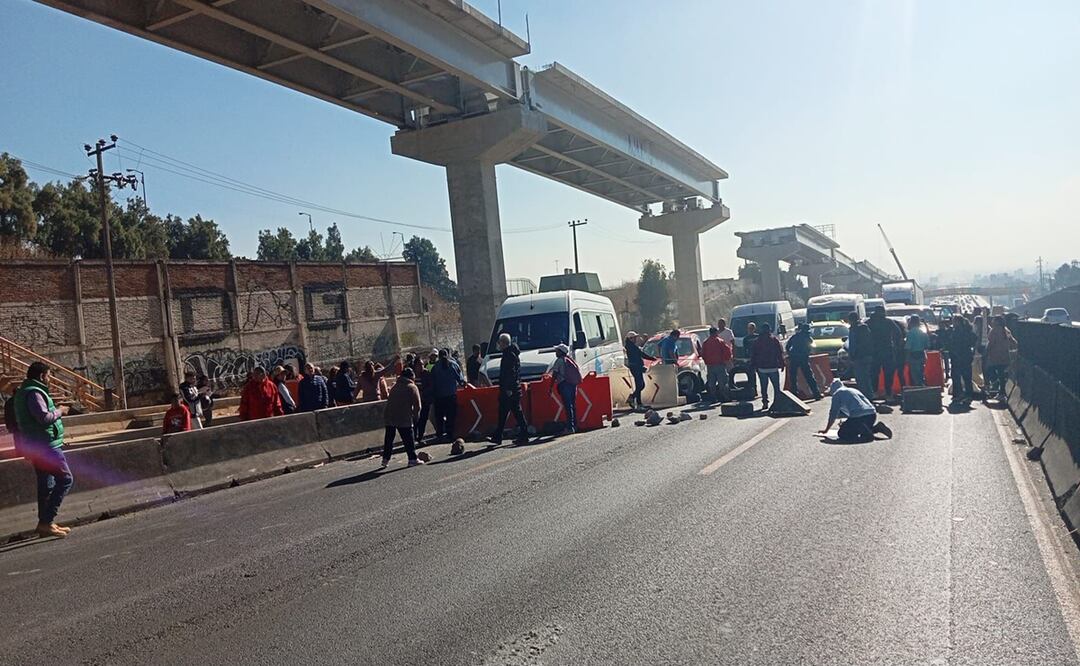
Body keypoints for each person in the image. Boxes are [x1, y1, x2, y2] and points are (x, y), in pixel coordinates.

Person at [12, 362, 73, 538]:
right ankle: (46, 521)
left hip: (36, 445)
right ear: (41, 376)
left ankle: (46, 524)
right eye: (48, 376)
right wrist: (60, 410)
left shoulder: (25, 391)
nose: (49, 379)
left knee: (46, 484)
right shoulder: (34, 392)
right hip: (46, 446)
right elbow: (44, 417)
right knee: (65, 479)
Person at [819, 378, 893, 443]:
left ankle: (867, 435)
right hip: (872, 414)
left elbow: (833, 414)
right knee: (858, 426)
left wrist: (826, 430)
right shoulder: (853, 390)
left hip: (859, 417)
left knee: (842, 433)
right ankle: (877, 428)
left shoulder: (837, 394)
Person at [490, 333, 530, 445]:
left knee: (516, 413)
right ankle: (498, 436)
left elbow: (510, 373)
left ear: (504, 343)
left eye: (499, 342)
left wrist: (508, 388)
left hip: (510, 390)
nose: (498, 344)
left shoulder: (509, 355)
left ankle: (524, 434)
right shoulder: (510, 354)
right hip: (512, 388)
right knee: (505, 413)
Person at [381, 367, 423, 468]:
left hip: (389, 415)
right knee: (408, 438)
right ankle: (412, 459)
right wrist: (416, 417)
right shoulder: (411, 387)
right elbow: (418, 405)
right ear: (411, 376)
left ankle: (385, 459)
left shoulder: (395, 386)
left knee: (389, 438)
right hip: (403, 416)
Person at [867, 307, 902, 400]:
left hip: (873, 351)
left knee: (874, 373)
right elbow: (898, 333)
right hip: (887, 350)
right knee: (888, 373)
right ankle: (888, 393)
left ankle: (874, 392)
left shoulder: (869, 323)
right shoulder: (888, 322)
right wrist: (897, 346)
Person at [431, 349, 465, 440]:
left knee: (439, 417)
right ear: (448, 355)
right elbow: (460, 379)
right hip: (451, 395)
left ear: (439, 356)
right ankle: (450, 434)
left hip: (439, 396)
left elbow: (432, 383)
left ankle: (440, 434)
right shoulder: (453, 365)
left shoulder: (435, 367)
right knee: (451, 416)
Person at [751, 323, 785, 410]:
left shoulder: (757, 341)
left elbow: (754, 355)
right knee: (776, 387)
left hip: (762, 368)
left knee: (764, 387)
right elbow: (779, 353)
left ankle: (765, 403)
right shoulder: (774, 340)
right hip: (773, 367)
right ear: (769, 330)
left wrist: (753, 365)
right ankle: (777, 403)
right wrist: (782, 364)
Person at [550, 344, 583, 433]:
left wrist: (551, 386)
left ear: (561, 352)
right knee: (572, 405)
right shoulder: (570, 360)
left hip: (564, 384)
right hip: (573, 384)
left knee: (567, 406)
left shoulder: (559, 361)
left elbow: (555, 374)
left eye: (557, 350)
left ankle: (569, 427)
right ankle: (574, 425)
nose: (555, 352)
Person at [785, 322, 822, 400]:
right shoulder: (807, 337)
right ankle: (816, 394)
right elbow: (812, 345)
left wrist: (790, 354)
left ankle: (794, 396)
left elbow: (788, 346)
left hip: (794, 358)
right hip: (803, 359)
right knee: (809, 377)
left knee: (793, 378)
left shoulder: (795, 336)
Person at [983, 315, 1016, 400]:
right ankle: (1001, 392)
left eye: (994, 320)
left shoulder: (994, 331)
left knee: (989, 370)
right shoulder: (1006, 330)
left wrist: (986, 352)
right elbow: (1014, 342)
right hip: (1005, 356)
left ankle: (995, 386)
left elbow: (990, 343)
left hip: (995, 356)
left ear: (997, 321)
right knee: (1001, 374)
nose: (992, 321)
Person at [947, 315, 977, 405]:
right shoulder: (967, 330)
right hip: (966, 356)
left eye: (954, 321)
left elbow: (952, 344)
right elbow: (974, 339)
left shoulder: (957, 332)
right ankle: (968, 395)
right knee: (966, 376)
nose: (953, 323)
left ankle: (959, 394)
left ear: (958, 322)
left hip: (958, 357)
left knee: (957, 376)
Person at [846, 312, 875, 399]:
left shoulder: (854, 329)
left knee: (860, 378)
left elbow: (853, 345)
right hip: (867, 355)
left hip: (858, 357)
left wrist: (852, 356)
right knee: (866, 377)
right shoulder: (864, 327)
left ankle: (864, 396)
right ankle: (869, 395)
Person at [700, 327, 733, 403]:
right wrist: (726, 360)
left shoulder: (705, 342)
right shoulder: (720, 341)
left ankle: (713, 398)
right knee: (723, 382)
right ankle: (725, 397)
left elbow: (703, 354)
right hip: (720, 365)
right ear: (716, 333)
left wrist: (706, 361)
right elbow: (727, 351)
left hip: (710, 366)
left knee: (712, 383)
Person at [624, 331, 655, 410]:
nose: (636, 339)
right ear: (631, 339)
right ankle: (634, 400)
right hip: (636, 367)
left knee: (640, 385)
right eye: (634, 338)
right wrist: (651, 358)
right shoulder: (632, 347)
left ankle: (638, 402)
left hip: (636, 367)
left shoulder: (630, 346)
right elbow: (641, 354)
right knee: (640, 385)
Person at [413, 354, 435, 442]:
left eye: (422, 364)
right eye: (419, 365)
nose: (421, 366)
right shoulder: (412, 374)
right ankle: (414, 437)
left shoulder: (427, 374)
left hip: (425, 401)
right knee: (415, 420)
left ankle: (420, 437)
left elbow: (431, 386)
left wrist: (424, 393)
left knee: (423, 419)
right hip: (414, 402)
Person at [905, 315, 930, 386]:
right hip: (922, 354)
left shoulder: (910, 333)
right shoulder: (923, 333)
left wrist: (907, 358)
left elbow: (908, 347)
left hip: (913, 355)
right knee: (921, 373)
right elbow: (927, 345)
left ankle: (917, 388)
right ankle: (922, 386)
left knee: (914, 375)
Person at [739, 321, 760, 396]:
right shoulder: (746, 338)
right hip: (750, 359)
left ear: (754, 329)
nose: (750, 330)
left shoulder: (758, 337)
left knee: (761, 375)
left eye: (752, 328)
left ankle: (763, 390)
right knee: (751, 375)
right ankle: (754, 389)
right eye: (749, 328)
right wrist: (745, 358)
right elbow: (744, 349)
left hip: (759, 359)